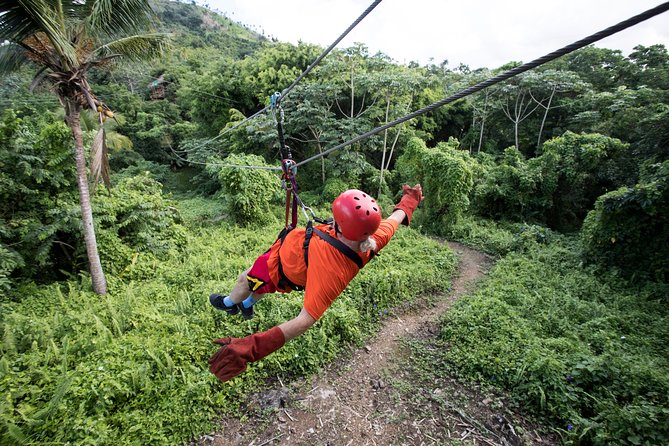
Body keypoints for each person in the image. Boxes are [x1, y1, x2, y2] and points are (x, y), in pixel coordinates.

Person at [208, 184, 423, 382]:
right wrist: (409, 201)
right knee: (259, 288)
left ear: (341, 226)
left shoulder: (333, 269)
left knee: (246, 280)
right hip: (282, 253)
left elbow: (305, 320)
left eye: (336, 219)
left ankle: (228, 303)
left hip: (277, 268)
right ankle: (246, 307)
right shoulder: (373, 237)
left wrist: (251, 348)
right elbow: (395, 219)